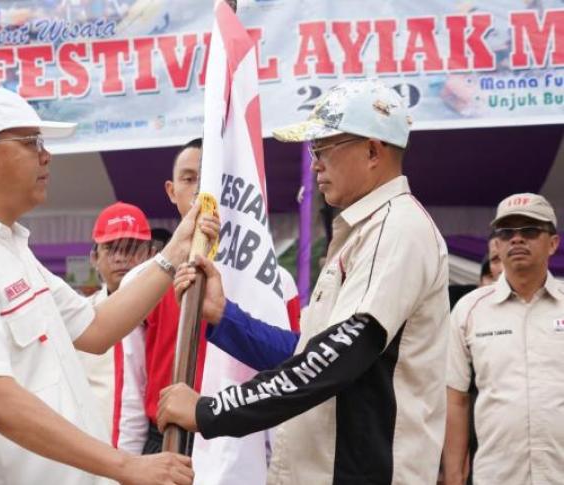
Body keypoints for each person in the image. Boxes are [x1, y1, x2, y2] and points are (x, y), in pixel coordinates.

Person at [0, 87, 216, 484]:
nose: (46, 156)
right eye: (31, 143)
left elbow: (96, 328)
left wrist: (175, 250)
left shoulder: (8, 250)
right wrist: (127, 465)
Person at [158, 79, 451, 484]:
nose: (314, 164)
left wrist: (211, 411)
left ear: (372, 150)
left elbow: (335, 357)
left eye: (323, 148)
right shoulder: (362, 234)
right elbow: (304, 353)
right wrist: (224, 316)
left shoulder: (397, 228)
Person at [114, 138, 302, 455]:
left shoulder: (276, 282)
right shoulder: (142, 282)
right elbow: (132, 390)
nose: (203, 192)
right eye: (190, 179)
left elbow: (294, 372)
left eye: (213, 180)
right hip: (168, 440)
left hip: (243, 442)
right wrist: (127, 465)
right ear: (172, 191)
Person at [444, 193, 563, 485]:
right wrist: (455, 477)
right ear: (496, 244)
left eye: (530, 231)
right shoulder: (469, 310)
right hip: (497, 476)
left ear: (553, 243)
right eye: (507, 232)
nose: (517, 239)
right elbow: (455, 400)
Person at [79, 201, 153, 438]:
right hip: (96, 448)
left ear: (150, 255)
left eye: (130, 248)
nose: (121, 258)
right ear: (94, 258)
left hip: (160, 447)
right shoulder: (79, 316)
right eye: (111, 248)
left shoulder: (174, 313)